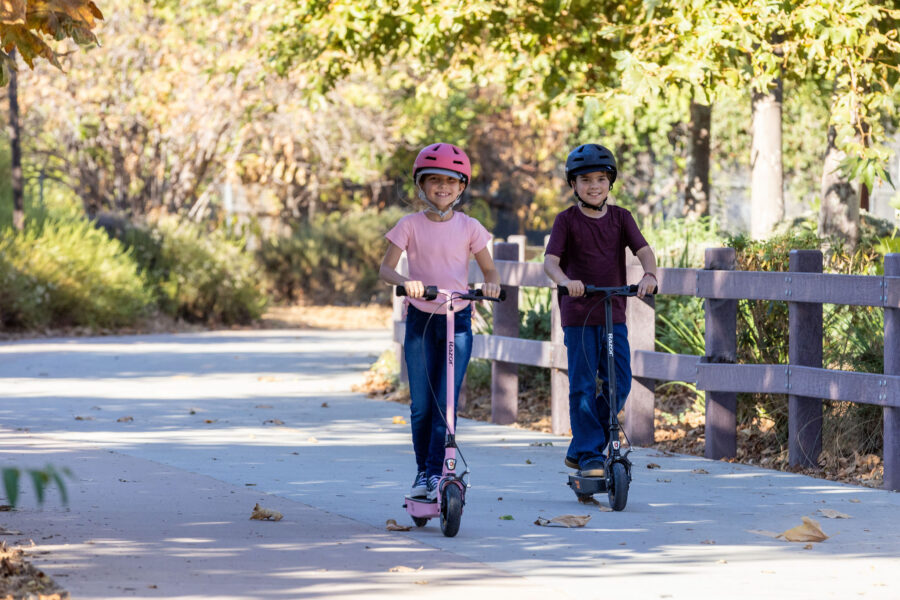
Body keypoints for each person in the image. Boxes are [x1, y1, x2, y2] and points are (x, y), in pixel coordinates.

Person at [379, 142, 501, 500]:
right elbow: (386, 268)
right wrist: (406, 282)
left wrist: (490, 284)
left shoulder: (470, 227)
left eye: (450, 181)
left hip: (457, 320)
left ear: (462, 186)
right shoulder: (409, 225)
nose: (442, 188)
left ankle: (437, 473)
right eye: (434, 181)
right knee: (421, 405)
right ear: (421, 186)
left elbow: (489, 269)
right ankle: (423, 472)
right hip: (421, 320)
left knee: (446, 401)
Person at [543, 143, 658, 477]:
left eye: (600, 178)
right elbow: (550, 262)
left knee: (619, 381)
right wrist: (566, 281)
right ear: (573, 185)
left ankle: (584, 448)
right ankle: (591, 453)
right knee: (581, 384)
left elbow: (644, 250)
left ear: (610, 182)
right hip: (579, 315)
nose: (593, 185)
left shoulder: (621, 218)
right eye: (585, 180)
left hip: (613, 313)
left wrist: (649, 274)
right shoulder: (566, 220)